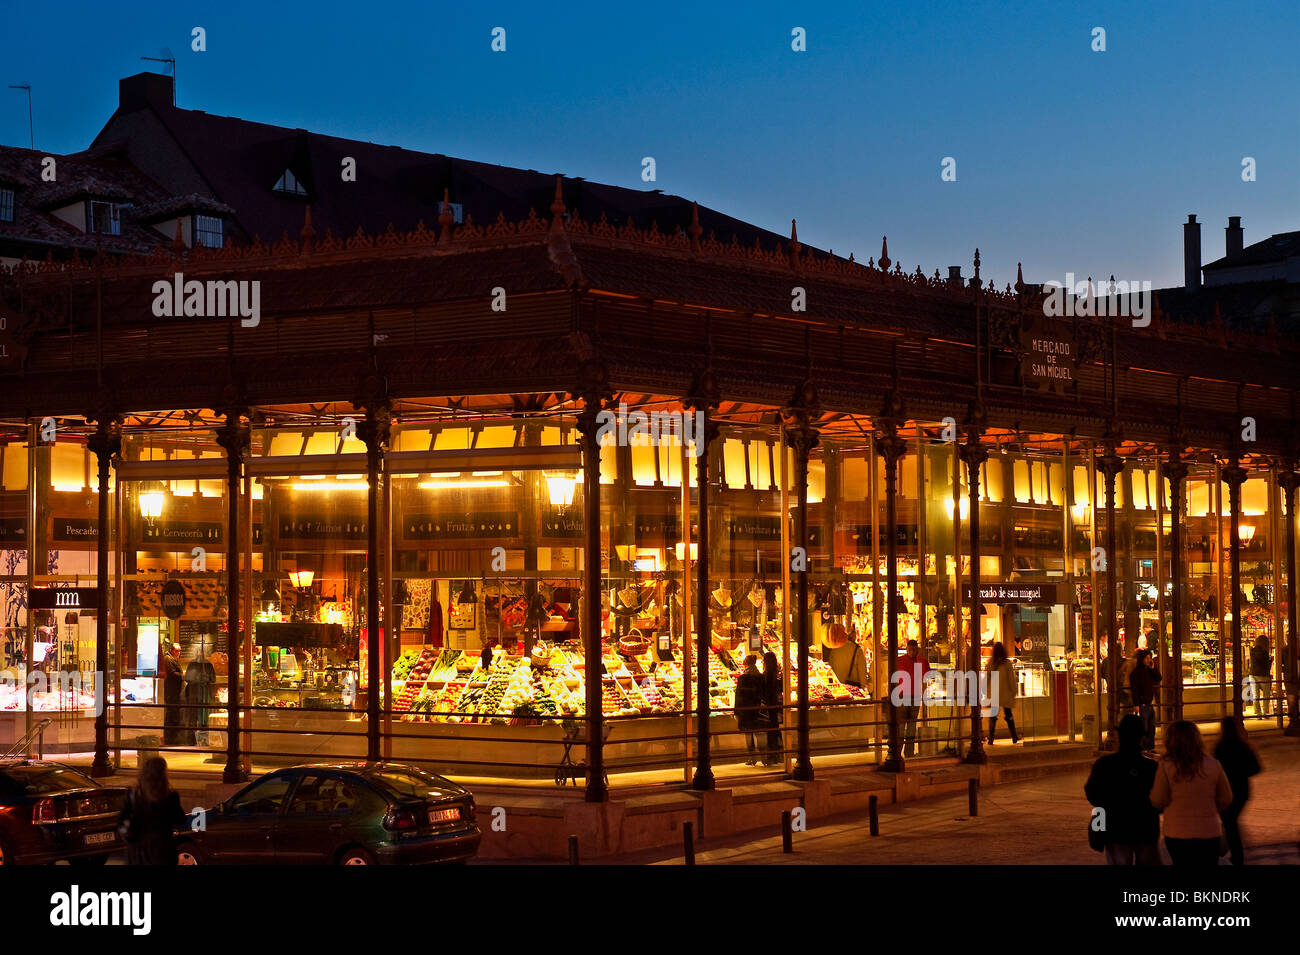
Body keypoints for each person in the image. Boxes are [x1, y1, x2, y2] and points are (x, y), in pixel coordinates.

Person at [1150, 720, 1233, 865]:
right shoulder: (1213, 764)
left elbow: (1159, 799)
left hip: (1177, 831)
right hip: (1209, 830)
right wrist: (1210, 807)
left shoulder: (1166, 766)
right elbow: (1226, 798)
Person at [1084, 713, 1161, 865]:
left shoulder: (1104, 765)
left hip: (1115, 829)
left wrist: (1109, 804)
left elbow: (1092, 793)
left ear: (1120, 736)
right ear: (1141, 738)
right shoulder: (1150, 767)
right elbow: (1160, 799)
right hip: (1145, 828)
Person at [117, 757, 189, 865]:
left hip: (138, 851)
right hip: (163, 850)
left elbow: (121, 820)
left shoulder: (133, 794)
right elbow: (180, 819)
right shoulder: (170, 796)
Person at [1213, 719, 1260, 866]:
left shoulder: (1219, 747)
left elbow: (1214, 769)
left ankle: (1233, 853)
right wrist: (1242, 771)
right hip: (1241, 790)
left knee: (1230, 823)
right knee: (1231, 823)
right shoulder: (1243, 747)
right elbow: (1256, 768)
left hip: (1225, 790)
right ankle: (1233, 853)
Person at [895, 639, 931, 758]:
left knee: (904, 726)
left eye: (913, 650)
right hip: (910, 696)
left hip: (906, 696)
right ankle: (908, 752)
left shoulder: (900, 661)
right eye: (910, 650)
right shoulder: (921, 661)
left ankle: (899, 752)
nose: (911, 652)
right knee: (910, 725)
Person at [985, 642, 1019, 744]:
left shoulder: (991, 662)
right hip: (1005, 693)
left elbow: (987, 678)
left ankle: (991, 739)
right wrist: (1014, 691)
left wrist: (986, 692)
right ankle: (1014, 736)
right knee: (1008, 715)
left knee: (993, 716)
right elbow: (1011, 679)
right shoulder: (1007, 663)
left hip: (994, 693)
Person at [733, 654, 765, 765]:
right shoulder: (760, 676)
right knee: (759, 733)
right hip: (757, 709)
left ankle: (752, 757)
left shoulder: (743, 677)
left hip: (746, 709)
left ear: (745, 664)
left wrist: (736, 711)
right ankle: (764, 758)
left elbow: (739, 696)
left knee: (749, 734)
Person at [1130, 648, 1162, 753]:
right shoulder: (1136, 673)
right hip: (1142, 704)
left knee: (1151, 728)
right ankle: (1143, 748)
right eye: (1147, 658)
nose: (1149, 660)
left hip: (1149, 703)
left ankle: (1150, 747)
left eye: (1150, 658)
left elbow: (1158, 678)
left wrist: (1153, 668)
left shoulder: (1148, 670)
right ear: (1141, 659)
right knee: (1144, 728)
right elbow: (1135, 689)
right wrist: (1136, 704)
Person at [823, 623, 867, 688]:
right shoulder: (857, 649)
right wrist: (864, 688)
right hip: (852, 687)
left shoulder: (835, 647)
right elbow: (862, 672)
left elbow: (830, 667)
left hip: (837, 686)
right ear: (853, 635)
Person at [760, 650, 783, 766]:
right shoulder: (777, 674)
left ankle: (771, 756)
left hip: (768, 706)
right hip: (776, 706)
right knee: (775, 730)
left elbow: (764, 691)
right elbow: (780, 690)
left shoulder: (765, 675)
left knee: (769, 731)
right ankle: (778, 755)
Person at [162, 643, 184, 746]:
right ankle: (170, 739)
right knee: (171, 714)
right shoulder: (168, 659)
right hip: (171, 691)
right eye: (177, 651)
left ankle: (172, 738)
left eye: (180, 651)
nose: (179, 653)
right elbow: (171, 673)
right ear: (171, 650)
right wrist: (182, 676)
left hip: (174, 691)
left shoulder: (171, 658)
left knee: (173, 714)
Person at [1249, 636, 1272, 717]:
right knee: (1266, 694)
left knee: (1256, 695)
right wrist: (1271, 660)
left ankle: (1258, 713)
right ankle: (1265, 711)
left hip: (1253, 674)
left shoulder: (1252, 650)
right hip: (1263, 675)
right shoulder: (1264, 652)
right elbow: (1266, 665)